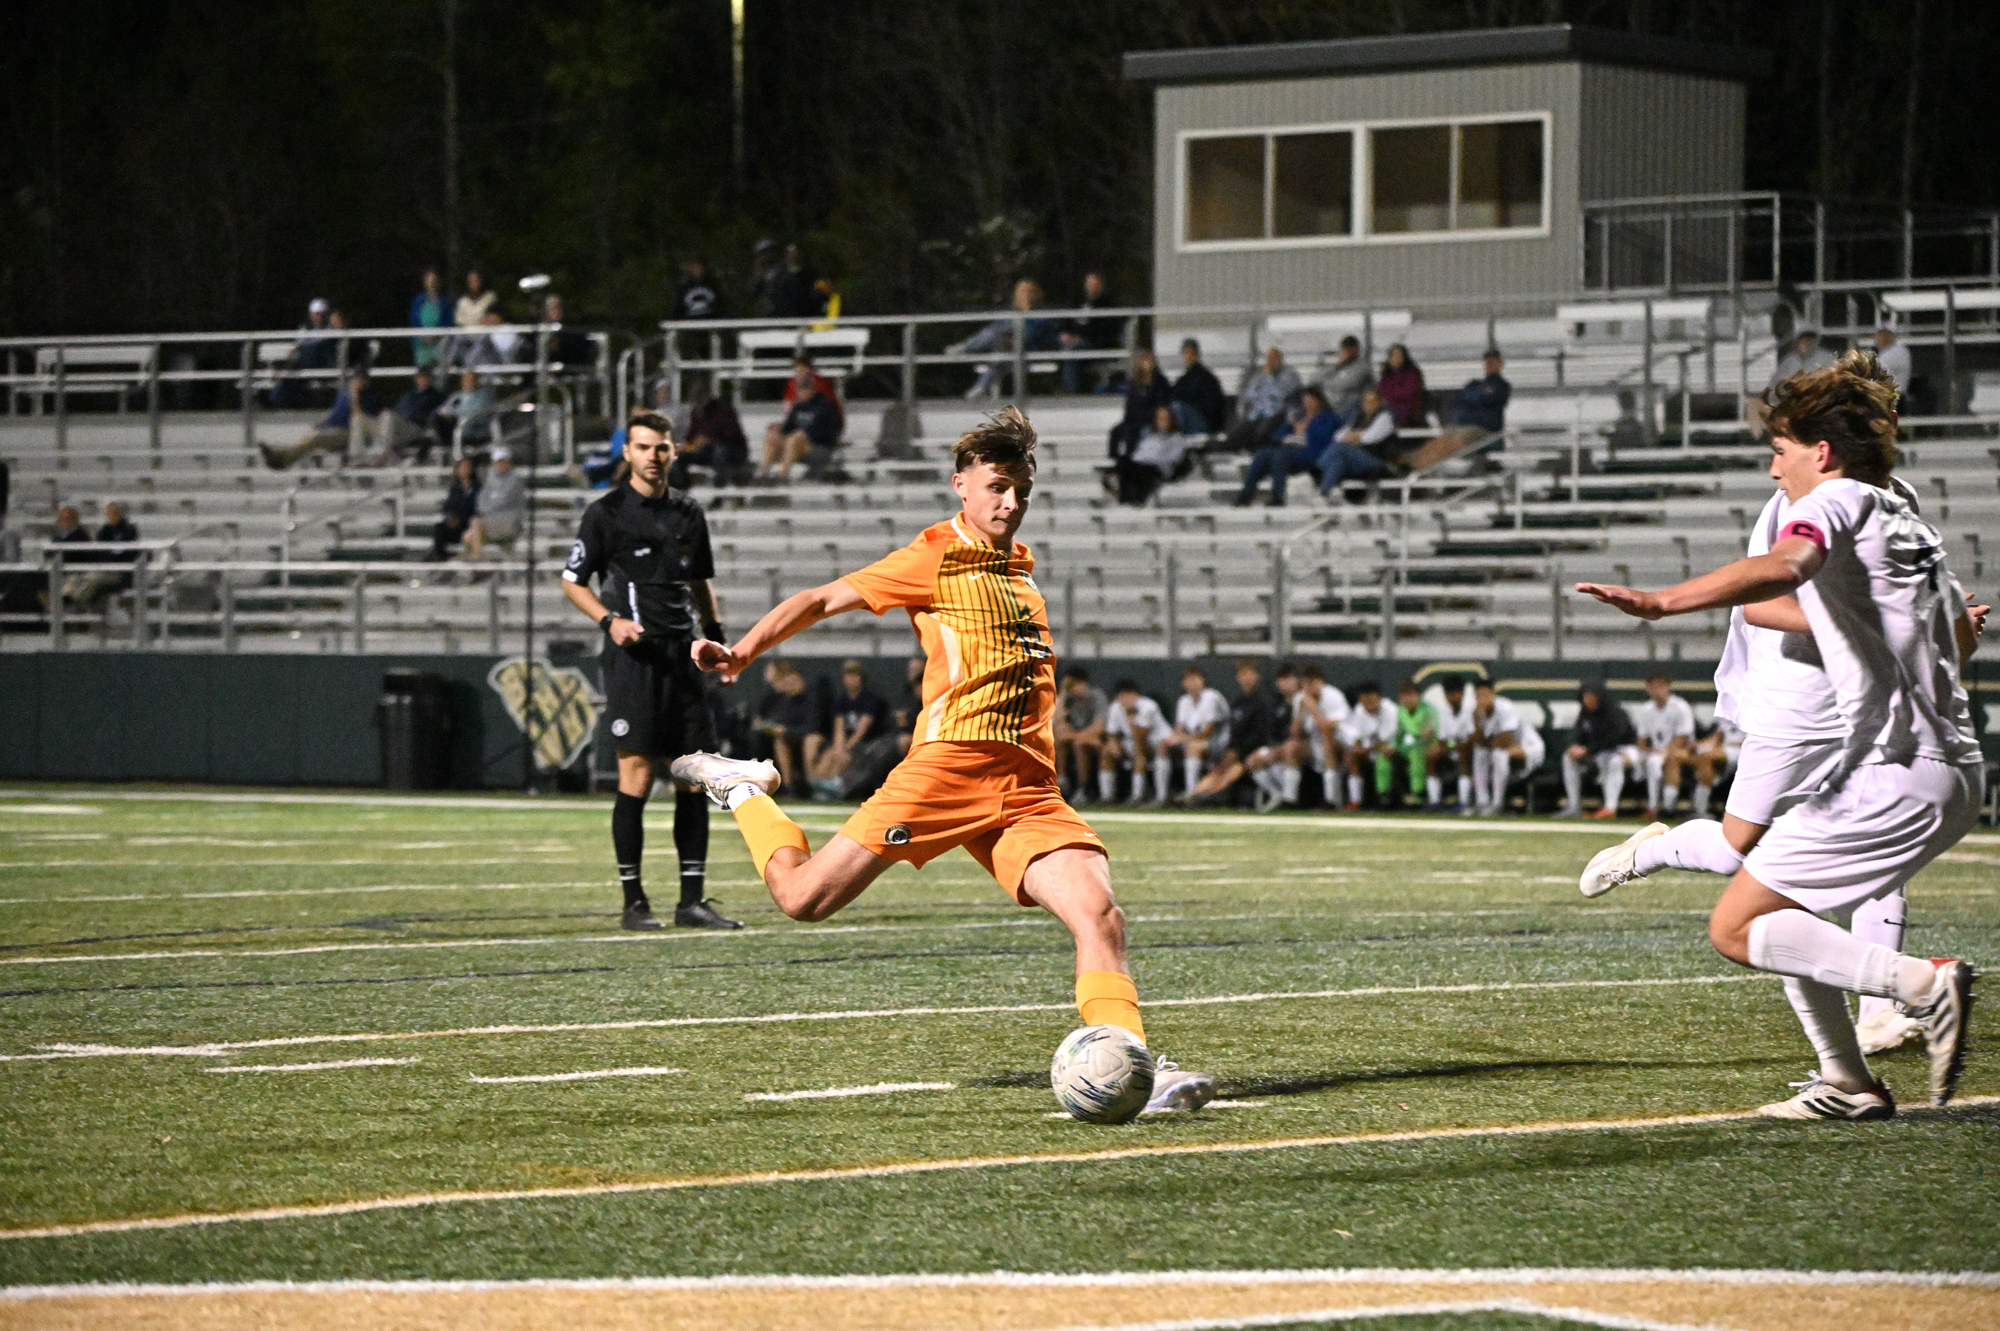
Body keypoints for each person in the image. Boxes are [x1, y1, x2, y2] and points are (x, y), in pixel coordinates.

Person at [669, 407, 1214, 1115]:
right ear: (962, 486)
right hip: (948, 766)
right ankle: (745, 789)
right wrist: (743, 651)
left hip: (1027, 785)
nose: (1010, 503)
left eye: (1021, 490)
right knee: (802, 898)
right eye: (996, 487)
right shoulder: (934, 555)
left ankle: (1131, 1064)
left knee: (1100, 916)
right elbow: (822, 597)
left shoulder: (1020, 571)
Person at [1574, 351, 1984, 1118]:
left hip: (1890, 763)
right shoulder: (1907, 520)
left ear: (1822, 451)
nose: (1772, 467)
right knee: (1773, 893)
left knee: (1743, 918)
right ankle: (1850, 1078)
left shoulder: (1833, 500)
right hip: (1942, 765)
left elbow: (1785, 566)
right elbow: (1953, 640)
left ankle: (1918, 987)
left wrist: (1662, 601)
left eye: (1780, 449)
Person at [559, 411, 736, 931]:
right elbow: (572, 581)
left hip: (683, 657)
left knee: (694, 778)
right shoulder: (605, 513)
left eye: (661, 447)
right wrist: (608, 621)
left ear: (674, 451)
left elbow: (700, 583)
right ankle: (634, 903)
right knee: (635, 774)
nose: (653, 456)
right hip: (634, 660)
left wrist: (718, 638)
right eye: (643, 447)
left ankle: (691, 902)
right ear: (628, 453)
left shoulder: (688, 512)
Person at [1190, 661, 1300, 811]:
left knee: (1238, 765)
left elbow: (1262, 734)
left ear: (1256, 676)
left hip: (1253, 749)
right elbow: (1233, 732)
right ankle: (1194, 795)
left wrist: (1239, 753)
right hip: (1237, 750)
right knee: (1218, 768)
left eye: (1249, 673)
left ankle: (1214, 794)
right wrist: (1230, 750)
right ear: (1238, 677)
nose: (1246, 678)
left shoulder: (1264, 701)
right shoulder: (1238, 702)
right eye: (1243, 674)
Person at [1233, 385, 1337, 507]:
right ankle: (1246, 495)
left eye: (1311, 401)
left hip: (1310, 452)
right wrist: (1291, 426)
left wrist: (1306, 429)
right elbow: (1278, 436)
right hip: (1288, 447)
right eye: (1305, 401)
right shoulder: (1299, 416)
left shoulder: (1329, 418)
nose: (1308, 404)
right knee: (1262, 454)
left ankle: (1278, 495)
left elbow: (1324, 440)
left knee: (1279, 456)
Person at [259, 368, 380, 470]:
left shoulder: (367, 398)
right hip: (331, 428)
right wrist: (321, 422)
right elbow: (335, 411)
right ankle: (281, 456)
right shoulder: (344, 393)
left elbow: (359, 418)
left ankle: (282, 459)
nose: (355, 382)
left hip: (346, 432)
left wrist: (355, 396)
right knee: (312, 435)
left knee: (316, 438)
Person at [1409, 348, 1510, 469]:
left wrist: (1474, 397)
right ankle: (1411, 464)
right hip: (1464, 427)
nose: (1490, 364)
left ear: (1500, 363)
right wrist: (1479, 395)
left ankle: (1420, 467)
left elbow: (1484, 398)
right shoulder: (1474, 384)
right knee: (1441, 439)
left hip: (1484, 431)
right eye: (1488, 361)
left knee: (1456, 440)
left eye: (1494, 361)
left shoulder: (1502, 386)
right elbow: (1461, 399)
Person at [955, 279, 1056, 400]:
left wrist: (1026, 314)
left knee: (999, 353)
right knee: (993, 335)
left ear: (1036, 295)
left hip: (1028, 350)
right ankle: (980, 387)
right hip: (1006, 346)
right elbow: (996, 328)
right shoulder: (1010, 311)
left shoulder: (1041, 314)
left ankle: (966, 350)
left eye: (1029, 292)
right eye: (1022, 292)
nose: (1026, 295)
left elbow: (1031, 335)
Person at [1559, 680, 1640, 820]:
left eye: (1592, 696)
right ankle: (1574, 806)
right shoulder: (1585, 713)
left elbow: (1615, 738)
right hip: (1598, 754)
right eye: (1586, 697)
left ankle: (1610, 808)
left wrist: (1587, 749)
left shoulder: (1615, 712)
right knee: (1568, 757)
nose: (1588, 700)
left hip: (1625, 750)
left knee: (1615, 761)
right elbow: (1577, 733)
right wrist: (1573, 746)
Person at [812, 661, 891, 799]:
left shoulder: (870, 699)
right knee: (829, 756)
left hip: (865, 743)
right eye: (847, 676)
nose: (851, 680)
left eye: (854, 676)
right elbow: (839, 727)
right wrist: (839, 747)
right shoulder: (842, 700)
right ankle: (816, 786)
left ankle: (834, 790)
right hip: (845, 742)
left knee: (843, 758)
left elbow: (862, 730)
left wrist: (846, 748)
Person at [760, 358, 843, 481]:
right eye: (798, 388)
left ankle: (782, 475)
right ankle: (764, 473)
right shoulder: (798, 407)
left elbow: (827, 434)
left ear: (812, 389)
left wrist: (803, 436)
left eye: (804, 388)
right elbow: (787, 428)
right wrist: (778, 430)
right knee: (772, 437)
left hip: (819, 447)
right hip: (796, 446)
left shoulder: (825, 406)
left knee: (796, 438)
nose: (800, 392)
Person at [1469, 680, 1544, 816]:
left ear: (1493, 694)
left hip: (1529, 748)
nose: (1482, 699)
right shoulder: (1478, 712)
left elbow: (1506, 740)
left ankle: (1497, 804)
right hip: (1504, 750)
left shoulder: (1505, 708)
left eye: (1485, 695)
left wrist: (1486, 745)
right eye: (1478, 696)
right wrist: (1476, 722)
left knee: (1499, 754)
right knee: (1480, 752)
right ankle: (1482, 802)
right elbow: (1479, 742)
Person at [1630, 672, 1698, 820]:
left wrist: (1665, 752)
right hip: (1655, 752)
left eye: (1661, 686)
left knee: (1658, 762)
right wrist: (1649, 750)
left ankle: (1661, 807)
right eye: (1654, 687)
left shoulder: (1680, 706)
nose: (1658, 690)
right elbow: (1641, 739)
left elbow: (1683, 737)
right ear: (1648, 688)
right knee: (1647, 761)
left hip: (1681, 752)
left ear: (1668, 687)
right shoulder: (1646, 709)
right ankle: (1653, 807)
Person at [753, 661, 824, 794]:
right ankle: (788, 785)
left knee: (811, 741)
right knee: (780, 741)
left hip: (808, 735)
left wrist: (787, 730)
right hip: (788, 736)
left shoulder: (812, 696)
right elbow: (766, 715)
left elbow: (813, 726)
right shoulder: (779, 698)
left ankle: (812, 783)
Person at [1316, 386, 1398, 499]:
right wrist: (1357, 434)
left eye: (1373, 401)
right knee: (1338, 462)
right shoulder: (1358, 417)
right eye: (1366, 401)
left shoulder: (1385, 417)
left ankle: (1317, 470)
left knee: (1340, 448)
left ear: (1379, 402)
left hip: (1376, 459)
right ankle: (1324, 494)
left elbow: (1370, 438)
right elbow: (1338, 436)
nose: (1369, 404)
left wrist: (1355, 435)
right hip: (1356, 459)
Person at [1163, 665, 1229, 802]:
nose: (1192, 684)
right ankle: (1162, 797)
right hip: (1195, 741)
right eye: (1189, 680)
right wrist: (1174, 739)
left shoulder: (1212, 697)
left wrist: (1182, 739)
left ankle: (1192, 795)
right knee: (1163, 745)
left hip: (1221, 742)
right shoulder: (1183, 701)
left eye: (1195, 679)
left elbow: (1207, 733)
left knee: (1192, 747)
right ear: (1183, 683)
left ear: (1202, 681)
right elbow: (1179, 729)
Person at [1105, 404, 1191, 507]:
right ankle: (1121, 497)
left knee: (1144, 471)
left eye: (1165, 419)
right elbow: (1139, 453)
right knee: (1125, 463)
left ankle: (1138, 500)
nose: (1162, 422)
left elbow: (1173, 458)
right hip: (1141, 464)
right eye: (1159, 418)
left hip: (1158, 467)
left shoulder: (1176, 438)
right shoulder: (1150, 436)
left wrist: (1152, 460)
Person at [1103, 679, 1172, 805]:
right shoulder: (1115, 707)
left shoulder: (1149, 707)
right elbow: (1111, 733)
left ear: (1136, 695)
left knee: (1140, 752)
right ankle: (1107, 797)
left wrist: (1130, 715)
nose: (1125, 699)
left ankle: (1147, 797)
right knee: (1106, 752)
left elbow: (1141, 736)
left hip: (1157, 742)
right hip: (1132, 742)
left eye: (1128, 695)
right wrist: (1113, 744)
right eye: (1121, 696)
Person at [674, 378, 749, 486]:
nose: (698, 400)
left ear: (708, 394)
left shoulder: (723, 410)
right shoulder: (696, 412)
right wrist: (688, 445)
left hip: (732, 450)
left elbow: (732, 436)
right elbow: (690, 436)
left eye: (700, 395)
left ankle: (719, 488)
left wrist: (710, 440)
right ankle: (683, 486)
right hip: (706, 451)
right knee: (679, 456)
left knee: (720, 452)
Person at [1225, 346, 1301, 452]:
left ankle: (1256, 451)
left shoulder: (1289, 375)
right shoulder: (1260, 375)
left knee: (1259, 435)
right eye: (1268, 359)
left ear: (1280, 360)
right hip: (1257, 415)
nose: (1270, 362)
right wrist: (1243, 411)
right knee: (1238, 434)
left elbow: (1281, 394)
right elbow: (1249, 395)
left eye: (1274, 358)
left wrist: (1270, 377)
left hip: (1276, 415)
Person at [1337, 681, 1399, 810]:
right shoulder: (1359, 710)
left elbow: (1385, 742)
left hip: (1391, 751)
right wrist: (1357, 748)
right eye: (1364, 700)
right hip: (1370, 752)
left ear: (1379, 698)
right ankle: (1355, 801)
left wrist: (1364, 750)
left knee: (1386, 753)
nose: (1368, 704)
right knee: (1350, 757)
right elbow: (1356, 736)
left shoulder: (1390, 710)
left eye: (1371, 700)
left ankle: (1385, 798)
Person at [1296, 663, 1350, 808]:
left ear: (1320, 682)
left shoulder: (1333, 696)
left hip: (1342, 741)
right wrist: (1301, 712)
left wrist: (1314, 709)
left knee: (1327, 741)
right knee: (1291, 747)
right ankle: (1289, 799)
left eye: (1311, 683)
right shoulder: (1300, 698)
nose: (1307, 688)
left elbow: (1327, 729)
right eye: (1304, 684)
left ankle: (1331, 799)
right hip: (1315, 744)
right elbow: (1295, 733)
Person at [1053, 667, 1110, 803]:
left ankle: (1083, 788)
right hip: (1077, 735)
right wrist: (1063, 693)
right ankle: (1061, 780)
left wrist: (1075, 736)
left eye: (1074, 685)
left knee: (1079, 744)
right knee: (1057, 737)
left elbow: (1099, 728)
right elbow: (1058, 721)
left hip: (1096, 738)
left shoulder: (1096, 696)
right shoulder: (1068, 699)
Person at [1056, 272, 1119, 393]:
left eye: (1096, 284)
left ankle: (1070, 391)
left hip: (1097, 344)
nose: (1092, 287)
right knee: (1059, 347)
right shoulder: (1079, 302)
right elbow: (1067, 322)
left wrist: (1081, 337)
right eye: (1090, 284)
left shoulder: (1107, 304)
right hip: (1075, 342)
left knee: (1072, 352)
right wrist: (1065, 333)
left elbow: (1106, 329)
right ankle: (1056, 386)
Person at [1425, 674, 1478, 812]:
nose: (1448, 698)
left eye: (1451, 694)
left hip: (1471, 752)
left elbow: (1473, 738)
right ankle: (1434, 802)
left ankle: (1464, 802)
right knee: (1432, 756)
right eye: (1447, 695)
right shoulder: (1444, 711)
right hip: (1453, 749)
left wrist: (1457, 749)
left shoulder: (1471, 709)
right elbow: (1442, 740)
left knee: (1463, 755)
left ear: (1459, 694)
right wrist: (1446, 749)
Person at [1107, 349, 1173, 459]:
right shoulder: (1135, 381)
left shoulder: (1160, 381)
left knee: (1132, 433)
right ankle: (1115, 458)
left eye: (1149, 361)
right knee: (1116, 431)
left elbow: (1161, 403)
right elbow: (1130, 403)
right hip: (1133, 418)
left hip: (1150, 418)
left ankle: (1130, 457)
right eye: (1144, 361)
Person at [462, 445, 526, 557]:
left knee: (476, 523)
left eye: (503, 461)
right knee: (468, 537)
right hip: (491, 519)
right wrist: (488, 508)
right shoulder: (490, 478)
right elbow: (482, 500)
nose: (500, 464)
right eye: (497, 461)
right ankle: (478, 557)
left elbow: (503, 501)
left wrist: (488, 508)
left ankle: (477, 558)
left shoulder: (515, 480)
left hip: (509, 520)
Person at [1392, 680, 1442, 810]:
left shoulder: (1429, 709)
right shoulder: (1400, 711)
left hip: (1427, 746)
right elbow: (1398, 734)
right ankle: (1385, 797)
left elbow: (1430, 732)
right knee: (1384, 758)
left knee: (1416, 754)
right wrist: (1393, 745)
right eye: (1404, 695)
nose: (1407, 699)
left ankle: (1418, 794)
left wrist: (1422, 735)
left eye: (1410, 694)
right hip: (1406, 747)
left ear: (1418, 695)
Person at [1170, 338, 1226, 437]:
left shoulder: (1202, 377)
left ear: (1196, 354)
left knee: (1177, 407)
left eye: (1191, 353)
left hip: (1205, 423)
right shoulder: (1188, 377)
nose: (1188, 357)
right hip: (1203, 421)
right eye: (1186, 353)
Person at [431, 455, 479, 559]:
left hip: (471, 523)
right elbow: (448, 507)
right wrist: (451, 517)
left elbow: (478, 507)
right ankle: (441, 556)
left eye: (467, 467)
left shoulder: (477, 488)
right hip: (457, 524)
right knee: (440, 528)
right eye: (462, 467)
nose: (464, 470)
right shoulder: (455, 488)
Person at [1316, 335, 1373, 423]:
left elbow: (1345, 384)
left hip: (1349, 408)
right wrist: (1337, 366)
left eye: (1349, 349)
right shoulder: (1336, 366)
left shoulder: (1362, 367)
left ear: (1356, 349)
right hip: (1330, 406)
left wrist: (1326, 383)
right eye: (1345, 349)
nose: (1347, 352)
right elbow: (1315, 380)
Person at [1375, 343, 1427, 428]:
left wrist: (1392, 397)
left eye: (1399, 356)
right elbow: (1382, 391)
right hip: (1388, 407)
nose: (1396, 359)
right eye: (1393, 356)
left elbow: (1409, 394)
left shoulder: (1412, 374)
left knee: (1386, 415)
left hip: (1406, 410)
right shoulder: (1387, 375)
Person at [410, 269, 448, 369]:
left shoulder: (444, 301)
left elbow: (447, 320)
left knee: (439, 367)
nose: (432, 283)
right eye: (429, 280)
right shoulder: (418, 300)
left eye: (434, 280)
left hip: (439, 339)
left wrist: (436, 333)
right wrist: (424, 333)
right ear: (425, 282)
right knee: (423, 367)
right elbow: (414, 319)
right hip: (422, 339)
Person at [1872, 324, 1911, 391]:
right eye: (1881, 334)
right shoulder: (1885, 352)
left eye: (1887, 334)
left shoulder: (1898, 351)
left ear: (1893, 335)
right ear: (1876, 336)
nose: (1884, 337)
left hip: (1895, 394)